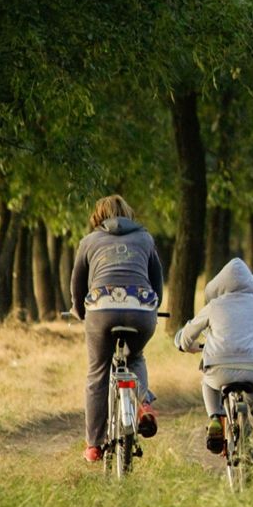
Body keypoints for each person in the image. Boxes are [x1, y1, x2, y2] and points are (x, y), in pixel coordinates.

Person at [70, 194, 163, 463]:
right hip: (142, 309)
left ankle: (94, 445)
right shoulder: (145, 238)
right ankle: (144, 404)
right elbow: (157, 281)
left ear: (98, 216)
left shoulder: (88, 242)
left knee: (98, 372)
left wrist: (79, 311)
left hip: (101, 309)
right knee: (135, 357)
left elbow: (78, 285)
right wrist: (153, 307)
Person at [174, 258, 253, 465]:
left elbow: (188, 335)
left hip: (218, 370)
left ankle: (214, 418)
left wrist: (183, 344)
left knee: (208, 383)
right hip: (251, 369)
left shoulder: (214, 305)